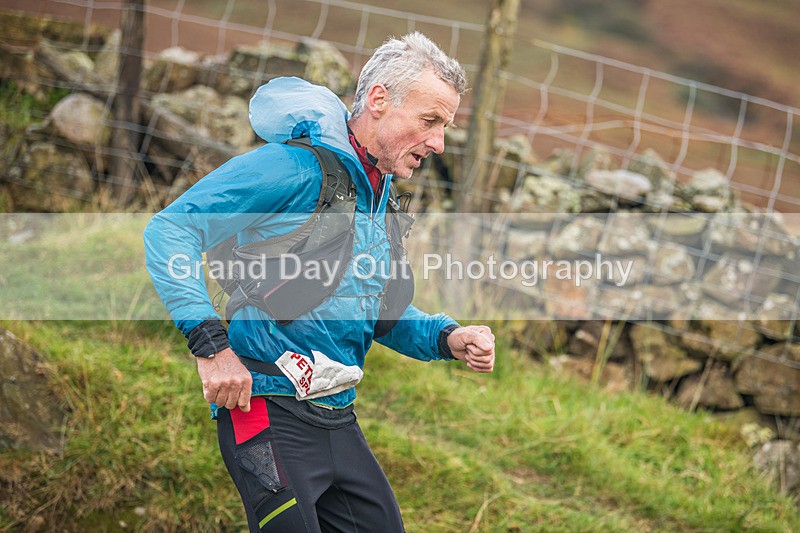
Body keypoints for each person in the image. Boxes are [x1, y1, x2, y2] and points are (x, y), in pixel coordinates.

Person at [144, 32, 495, 532]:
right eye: (429, 121)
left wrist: (446, 336)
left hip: (337, 420)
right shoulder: (295, 169)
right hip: (264, 413)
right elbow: (171, 229)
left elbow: (374, 313)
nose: (438, 143)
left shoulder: (379, 196)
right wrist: (211, 346)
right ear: (378, 100)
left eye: (445, 127)